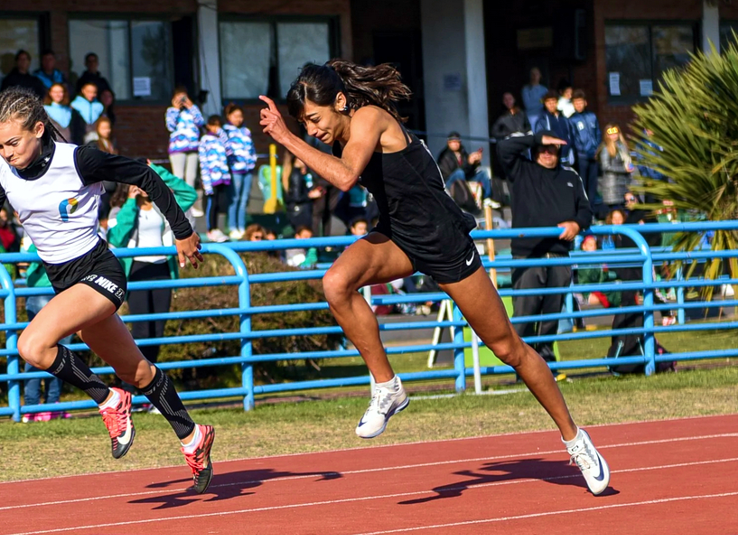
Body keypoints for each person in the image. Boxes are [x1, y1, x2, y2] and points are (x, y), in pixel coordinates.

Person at [259, 60, 609, 496]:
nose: (312, 129)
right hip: (399, 238)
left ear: (341, 102)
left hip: (443, 241)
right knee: (336, 283)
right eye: (303, 123)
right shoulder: (340, 136)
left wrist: (285, 138)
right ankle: (387, 387)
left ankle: (576, 440)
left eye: (314, 119)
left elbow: (346, 178)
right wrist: (294, 134)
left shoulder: (368, 118)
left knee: (508, 349)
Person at [0, 87, 214, 492]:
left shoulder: (78, 159)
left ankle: (108, 400)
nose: (5, 152)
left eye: (13, 142)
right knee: (136, 371)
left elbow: (144, 174)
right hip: (65, 283)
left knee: (33, 346)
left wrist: (183, 231)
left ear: (38, 129)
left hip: (100, 273)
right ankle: (193, 436)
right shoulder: (2, 167)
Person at [499, 129, 592, 383]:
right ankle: (523, 371)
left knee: (551, 315)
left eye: (553, 148)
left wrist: (576, 224)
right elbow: (504, 148)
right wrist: (537, 138)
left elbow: (586, 211)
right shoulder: (521, 170)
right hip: (529, 255)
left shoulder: (571, 176)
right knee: (526, 313)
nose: (548, 153)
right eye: (544, 148)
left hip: (560, 255)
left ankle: (547, 367)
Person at [107, 162, 198, 364]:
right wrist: (131, 201)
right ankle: (134, 379)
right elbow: (117, 237)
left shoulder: (161, 206)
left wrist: (158, 172)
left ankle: (152, 381)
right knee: (141, 329)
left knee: (157, 329)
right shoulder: (119, 210)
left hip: (162, 268)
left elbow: (189, 194)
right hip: (137, 270)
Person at [20, 240, 70, 422]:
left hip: (64, 287)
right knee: (36, 348)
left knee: (61, 349)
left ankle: (52, 403)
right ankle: (33, 406)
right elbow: (33, 252)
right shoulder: (33, 230)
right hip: (43, 288)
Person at [222, 104, 257, 240]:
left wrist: (252, 161)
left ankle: (241, 226)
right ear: (229, 116)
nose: (238, 119)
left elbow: (252, 149)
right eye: (235, 116)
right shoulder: (225, 131)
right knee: (234, 198)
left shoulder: (246, 131)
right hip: (235, 170)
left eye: (240, 116)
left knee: (244, 199)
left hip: (248, 169)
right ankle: (232, 226)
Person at [437, 132, 495, 211]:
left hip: (464, 178)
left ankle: (487, 198)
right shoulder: (445, 155)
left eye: (457, 142)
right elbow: (452, 173)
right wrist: (468, 162)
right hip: (450, 182)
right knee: (459, 173)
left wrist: (475, 162)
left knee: (483, 172)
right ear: (449, 143)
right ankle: (467, 197)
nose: (456, 144)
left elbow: (468, 170)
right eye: (453, 142)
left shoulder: (463, 153)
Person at [198, 115, 230, 242]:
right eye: (214, 125)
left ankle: (216, 228)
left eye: (219, 126)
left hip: (221, 178)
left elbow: (229, 149)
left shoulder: (221, 140)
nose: (217, 128)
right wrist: (206, 182)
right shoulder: (205, 140)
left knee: (219, 204)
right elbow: (203, 162)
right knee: (211, 204)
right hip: (211, 179)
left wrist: (221, 133)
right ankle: (211, 229)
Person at [165, 86, 204, 189]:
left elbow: (200, 122)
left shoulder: (192, 111)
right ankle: (179, 203)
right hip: (178, 148)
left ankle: (189, 203)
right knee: (179, 176)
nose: (181, 100)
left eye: (184, 98)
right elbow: (170, 126)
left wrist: (192, 107)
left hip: (193, 147)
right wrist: (176, 109)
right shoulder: (171, 111)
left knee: (191, 177)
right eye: (179, 98)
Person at [569, 91, 600, 215]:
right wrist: (583, 151)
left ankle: (592, 210)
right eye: (576, 103)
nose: (579, 105)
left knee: (593, 184)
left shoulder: (592, 116)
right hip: (582, 156)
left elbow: (598, 133)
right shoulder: (572, 119)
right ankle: (584, 210)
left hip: (594, 155)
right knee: (583, 184)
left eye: (580, 102)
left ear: (585, 103)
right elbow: (574, 138)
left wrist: (597, 149)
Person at [596, 124, 634, 215]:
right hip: (612, 186)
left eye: (615, 133)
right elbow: (606, 166)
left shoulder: (622, 147)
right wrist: (623, 169)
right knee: (614, 213)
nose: (614, 136)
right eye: (611, 134)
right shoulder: (606, 148)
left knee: (624, 212)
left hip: (623, 184)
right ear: (607, 135)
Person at [534, 92, 574, 166]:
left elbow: (569, 133)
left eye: (554, 102)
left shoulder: (564, 118)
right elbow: (541, 139)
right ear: (545, 104)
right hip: (552, 155)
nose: (551, 105)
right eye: (549, 102)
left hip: (566, 155)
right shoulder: (542, 120)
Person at [285, 156, 318, 230]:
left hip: (297, 212)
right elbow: (297, 197)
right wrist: (311, 195)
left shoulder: (295, 173)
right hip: (301, 213)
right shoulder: (296, 175)